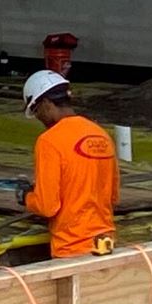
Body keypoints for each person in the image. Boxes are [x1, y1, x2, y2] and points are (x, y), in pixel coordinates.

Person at [16, 69, 120, 259]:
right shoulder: (101, 134)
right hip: (105, 243)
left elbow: (47, 206)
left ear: (46, 104)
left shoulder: (49, 141)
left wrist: (26, 196)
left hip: (72, 247)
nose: (39, 118)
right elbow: (112, 196)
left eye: (36, 111)